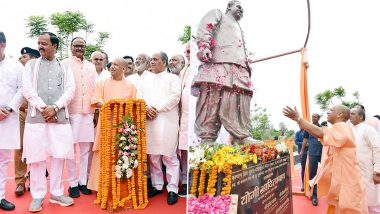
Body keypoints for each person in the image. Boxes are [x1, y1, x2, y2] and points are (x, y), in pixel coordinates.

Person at [23, 32, 75, 212]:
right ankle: (37, 196)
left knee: (58, 156)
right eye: (39, 43)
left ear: (55, 46)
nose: (40, 46)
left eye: (44, 43)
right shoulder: (31, 65)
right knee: (37, 158)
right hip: (37, 118)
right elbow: (27, 89)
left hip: (59, 118)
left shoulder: (65, 66)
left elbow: (70, 91)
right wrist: (44, 108)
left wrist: (56, 107)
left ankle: (56, 193)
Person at [283, 105, 368, 213]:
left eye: (331, 110)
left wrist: (299, 119)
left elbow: (320, 133)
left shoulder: (341, 126)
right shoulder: (340, 127)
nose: (327, 112)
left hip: (348, 182)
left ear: (340, 115)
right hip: (343, 180)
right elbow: (320, 134)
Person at [192, 0, 255, 144]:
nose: (241, 10)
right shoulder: (218, 14)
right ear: (229, 7)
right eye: (238, 7)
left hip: (239, 68)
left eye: (243, 9)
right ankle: (207, 137)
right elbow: (205, 28)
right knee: (211, 99)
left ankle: (241, 136)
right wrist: (204, 46)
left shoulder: (239, 27)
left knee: (238, 100)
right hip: (217, 63)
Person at [88, 57, 136, 192]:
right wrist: (109, 105)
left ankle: (121, 186)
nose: (112, 67)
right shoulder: (102, 83)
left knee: (122, 154)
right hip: (105, 124)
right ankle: (100, 186)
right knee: (103, 153)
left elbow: (134, 105)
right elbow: (95, 100)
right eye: (112, 64)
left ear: (124, 69)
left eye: (116, 65)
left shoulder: (131, 86)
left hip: (123, 126)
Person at [138, 52, 181, 205]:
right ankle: (157, 186)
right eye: (152, 60)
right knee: (153, 156)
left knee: (169, 156)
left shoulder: (173, 78)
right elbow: (139, 96)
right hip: (149, 120)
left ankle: (172, 189)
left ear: (164, 62)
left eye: (155, 60)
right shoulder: (145, 78)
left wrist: (157, 108)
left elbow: (175, 97)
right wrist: (146, 108)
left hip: (167, 120)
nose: (152, 62)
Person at [62, 37, 97, 198]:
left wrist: (95, 111)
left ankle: (83, 182)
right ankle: (72, 183)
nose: (79, 49)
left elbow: (96, 89)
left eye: (82, 46)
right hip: (71, 112)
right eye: (76, 46)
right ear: (71, 47)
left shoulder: (91, 66)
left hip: (88, 113)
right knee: (70, 150)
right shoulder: (64, 63)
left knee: (85, 151)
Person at [0, 31, 24, 211]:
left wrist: (8, 108)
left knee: (3, 160)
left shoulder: (16, 66)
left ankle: (0, 197)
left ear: (3, 45)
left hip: (7, 118)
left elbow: (22, 89)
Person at [14, 47, 40, 196]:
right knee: (20, 148)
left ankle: (34, 179)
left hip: (37, 114)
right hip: (21, 114)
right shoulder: (17, 73)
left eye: (24, 56)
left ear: (33, 59)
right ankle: (20, 182)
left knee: (36, 147)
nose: (21, 59)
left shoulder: (39, 74)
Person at [350, 107, 380, 213]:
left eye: (353, 114)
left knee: (372, 202)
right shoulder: (350, 130)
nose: (350, 116)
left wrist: (377, 171)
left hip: (368, 171)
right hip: (354, 172)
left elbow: (377, 149)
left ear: (361, 116)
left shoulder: (368, 129)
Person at [300, 113, 322, 206]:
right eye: (312, 117)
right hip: (312, 153)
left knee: (328, 172)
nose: (313, 118)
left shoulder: (322, 128)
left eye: (315, 117)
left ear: (319, 118)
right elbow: (305, 140)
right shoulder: (308, 128)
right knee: (312, 174)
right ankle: (314, 196)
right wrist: (302, 150)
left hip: (323, 153)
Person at [178, 43, 191, 197]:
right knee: (184, 151)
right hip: (184, 117)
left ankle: (195, 182)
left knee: (196, 150)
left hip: (197, 118)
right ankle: (186, 182)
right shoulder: (184, 70)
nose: (187, 54)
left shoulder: (204, 67)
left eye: (190, 51)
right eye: (186, 51)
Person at [294, 126, 306, 192]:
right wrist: (304, 143)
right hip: (301, 152)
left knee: (310, 169)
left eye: (301, 124)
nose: (300, 126)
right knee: (303, 168)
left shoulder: (308, 131)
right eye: (299, 125)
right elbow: (296, 142)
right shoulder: (297, 133)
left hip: (309, 152)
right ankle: (303, 184)